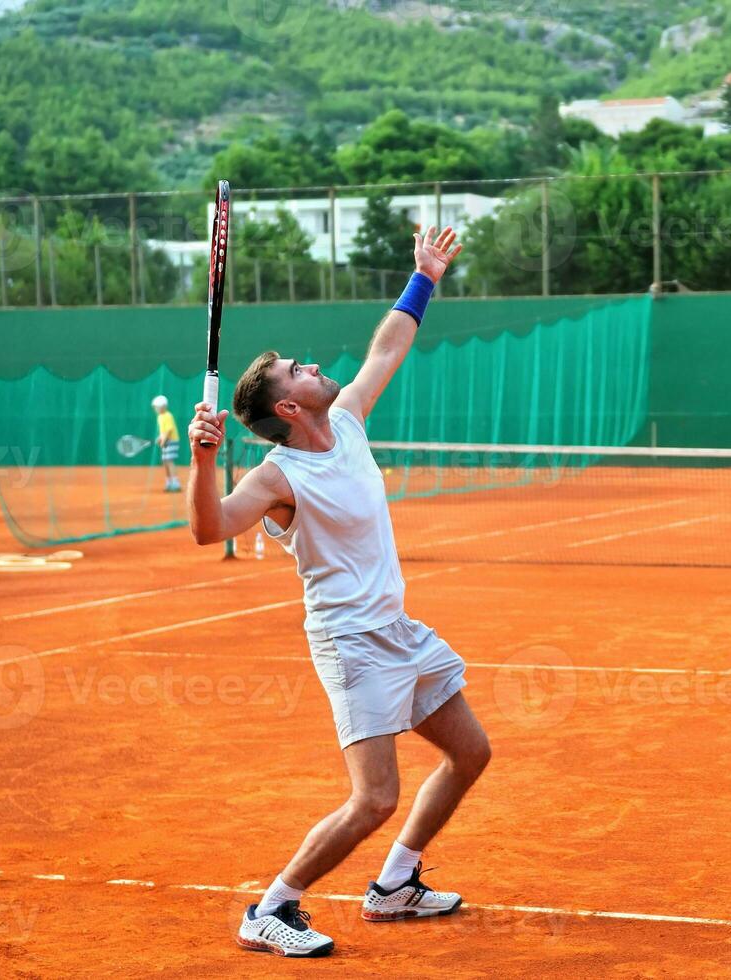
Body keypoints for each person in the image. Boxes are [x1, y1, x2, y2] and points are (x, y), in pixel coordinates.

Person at [186, 227, 487, 958]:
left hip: (398, 629)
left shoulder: (346, 421)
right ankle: (272, 906)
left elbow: (387, 346)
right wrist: (203, 461)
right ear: (287, 408)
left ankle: (395, 885)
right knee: (375, 798)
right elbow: (210, 528)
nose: (312, 366)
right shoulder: (278, 476)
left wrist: (424, 278)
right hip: (351, 643)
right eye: (296, 370)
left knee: (470, 752)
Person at [152, 395, 180, 492]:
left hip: (172, 441)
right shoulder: (160, 417)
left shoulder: (167, 416)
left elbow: (169, 430)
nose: (155, 409)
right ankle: (169, 482)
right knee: (165, 461)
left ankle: (176, 484)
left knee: (169, 461)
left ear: (163, 407)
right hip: (166, 441)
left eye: (157, 407)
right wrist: (160, 438)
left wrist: (163, 440)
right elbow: (163, 432)